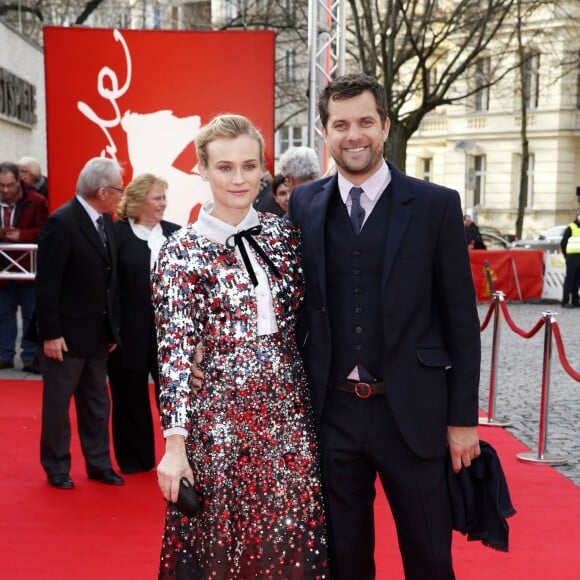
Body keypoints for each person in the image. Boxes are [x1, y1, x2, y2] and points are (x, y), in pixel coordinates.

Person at [287, 73, 481, 579]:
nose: (355, 135)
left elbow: (461, 320)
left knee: (430, 556)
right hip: (333, 412)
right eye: (341, 124)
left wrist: (462, 420)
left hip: (411, 412)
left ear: (385, 126)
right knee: (344, 559)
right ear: (325, 132)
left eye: (366, 122)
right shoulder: (304, 204)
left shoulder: (436, 205)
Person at [152, 114, 328, 578]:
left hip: (289, 418)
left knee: (290, 540)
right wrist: (175, 446)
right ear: (202, 170)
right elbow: (172, 355)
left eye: (249, 166)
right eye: (225, 167)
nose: (238, 178)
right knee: (221, 548)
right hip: (220, 423)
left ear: (263, 171)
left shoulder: (284, 235)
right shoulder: (180, 251)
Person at [36, 157, 125, 490]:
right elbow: (47, 284)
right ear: (102, 191)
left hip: (98, 335)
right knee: (58, 406)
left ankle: (99, 464)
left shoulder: (107, 221)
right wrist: (51, 334)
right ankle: (57, 467)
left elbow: (109, 281)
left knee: (97, 404)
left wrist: (112, 328)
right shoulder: (62, 222)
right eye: (118, 189)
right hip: (65, 336)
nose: (121, 195)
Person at [107, 173, 180, 474]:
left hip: (169, 331)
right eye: (158, 198)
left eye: (164, 198)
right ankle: (135, 461)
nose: (164, 204)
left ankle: (180, 458)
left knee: (174, 397)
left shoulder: (176, 234)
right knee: (128, 396)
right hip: (128, 331)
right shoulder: (117, 234)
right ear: (139, 202)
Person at [0, 162, 48, 371]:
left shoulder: (36, 201)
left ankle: (30, 356)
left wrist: (22, 235)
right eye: (1, 186)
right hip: (3, 269)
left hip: (30, 268)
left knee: (30, 314)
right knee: (4, 314)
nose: (5, 190)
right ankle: (5, 354)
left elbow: (46, 230)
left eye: (9, 185)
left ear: (18, 181)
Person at [560, 209, 580, 308]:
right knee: (570, 279)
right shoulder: (571, 227)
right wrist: (566, 255)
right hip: (572, 256)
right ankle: (565, 301)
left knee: (577, 280)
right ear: (577, 216)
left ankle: (575, 300)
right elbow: (563, 243)